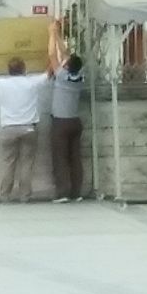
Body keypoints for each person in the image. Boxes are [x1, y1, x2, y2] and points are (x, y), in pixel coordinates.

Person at [0, 56, 50, 201]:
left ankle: (4, 195)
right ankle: (25, 196)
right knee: (26, 164)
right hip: (28, 128)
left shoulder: (2, 84)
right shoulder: (31, 82)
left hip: (8, 129)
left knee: (8, 163)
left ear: (9, 70)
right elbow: (49, 74)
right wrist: (52, 57)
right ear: (24, 69)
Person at [50, 54, 86, 202]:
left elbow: (52, 55)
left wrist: (53, 39)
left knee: (60, 158)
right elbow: (68, 59)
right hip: (75, 122)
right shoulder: (81, 78)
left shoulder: (61, 76)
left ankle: (63, 193)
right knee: (75, 158)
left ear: (67, 66)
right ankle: (76, 193)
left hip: (61, 122)